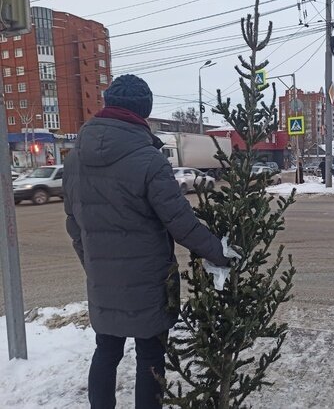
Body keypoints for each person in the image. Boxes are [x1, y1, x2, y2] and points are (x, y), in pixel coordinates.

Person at [62, 74, 231, 409]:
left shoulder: (74, 157)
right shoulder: (149, 159)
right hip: (149, 283)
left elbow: (73, 223)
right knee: (150, 358)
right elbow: (180, 221)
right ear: (143, 113)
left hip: (101, 280)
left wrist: (93, 265)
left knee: (106, 352)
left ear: (108, 105)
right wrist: (219, 254)